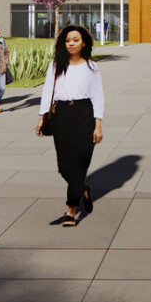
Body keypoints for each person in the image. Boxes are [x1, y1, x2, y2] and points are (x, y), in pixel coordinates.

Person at [36, 24, 104, 226]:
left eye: (75, 40)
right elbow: (48, 91)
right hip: (62, 115)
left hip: (85, 115)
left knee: (80, 162)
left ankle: (71, 209)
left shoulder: (91, 67)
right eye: (67, 40)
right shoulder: (56, 64)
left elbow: (98, 97)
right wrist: (42, 117)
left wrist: (98, 125)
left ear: (84, 42)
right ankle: (83, 189)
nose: (71, 44)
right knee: (64, 166)